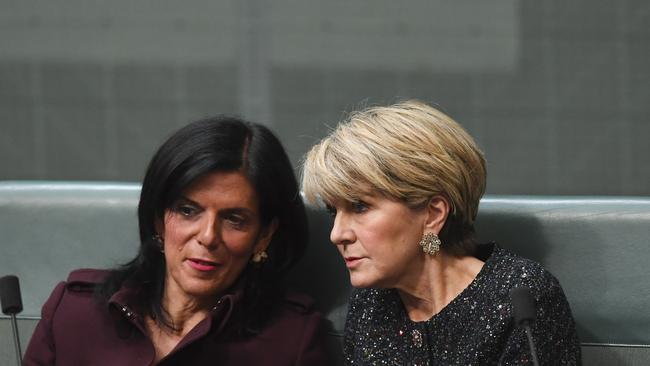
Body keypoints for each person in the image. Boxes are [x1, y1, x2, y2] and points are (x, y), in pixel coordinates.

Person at [24, 116, 328, 365]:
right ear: (159, 219)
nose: (208, 237)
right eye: (188, 210)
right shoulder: (73, 313)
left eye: (234, 219)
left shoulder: (292, 341)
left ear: (264, 235)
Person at [301, 100, 581, 365]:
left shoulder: (519, 297)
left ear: (433, 214)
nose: (337, 234)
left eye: (360, 207)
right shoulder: (370, 302)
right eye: (333, 212)